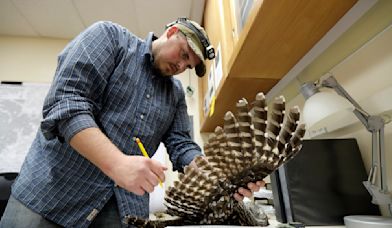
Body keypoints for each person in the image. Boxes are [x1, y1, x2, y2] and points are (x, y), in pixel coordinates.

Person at [0, 18, 264, 227]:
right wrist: (117, 163)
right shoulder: (109, 39)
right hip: (50, 197)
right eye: (183, 54)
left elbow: (182, 145)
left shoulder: (175, 95)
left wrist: (218, 176)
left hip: (121, 212)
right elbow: (67, 104)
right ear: (171, 32)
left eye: (188, 65)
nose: (181, 65)